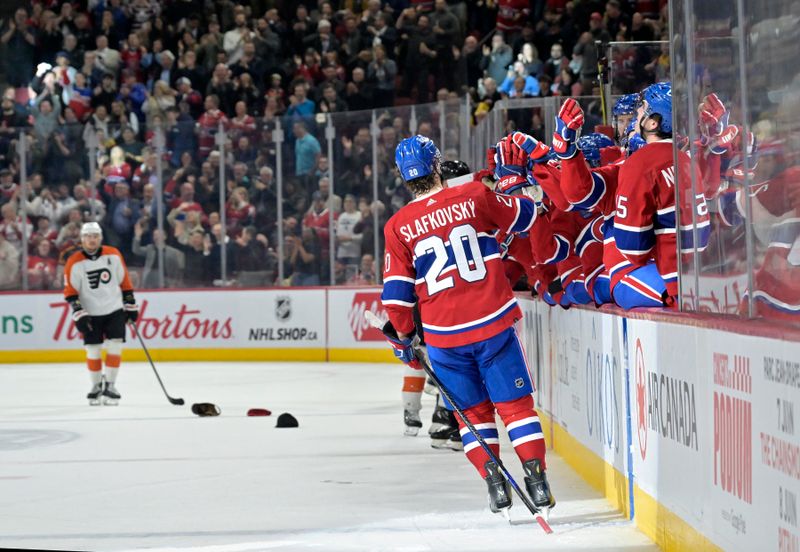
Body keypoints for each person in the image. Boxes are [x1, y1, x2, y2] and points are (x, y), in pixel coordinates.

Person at [380, 135, 555, 516]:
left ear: (402, 176)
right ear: (437, 165)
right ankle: (537, 480)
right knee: (516, 407)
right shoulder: (475, 195)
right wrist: (515, 183)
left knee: (473, 415)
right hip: (493, 324)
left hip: (444, 338)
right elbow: (526, 216)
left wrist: (405, 339)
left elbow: (396, 297)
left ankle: (495, 484)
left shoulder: (397, 226)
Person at [63, 222, 139, 405]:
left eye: (95, 236)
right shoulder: (74, 261)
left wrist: (130, 303)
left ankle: (111, 385)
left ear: (100, 238)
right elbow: (71, 292)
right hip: (90, 313)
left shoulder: (113, 253)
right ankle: (96, 386)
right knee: (93, 350)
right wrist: (79, 312)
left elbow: (124, 281)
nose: (92, 239)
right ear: (82, 239)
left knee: (115, 346)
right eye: (88, 236)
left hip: (114, 309)